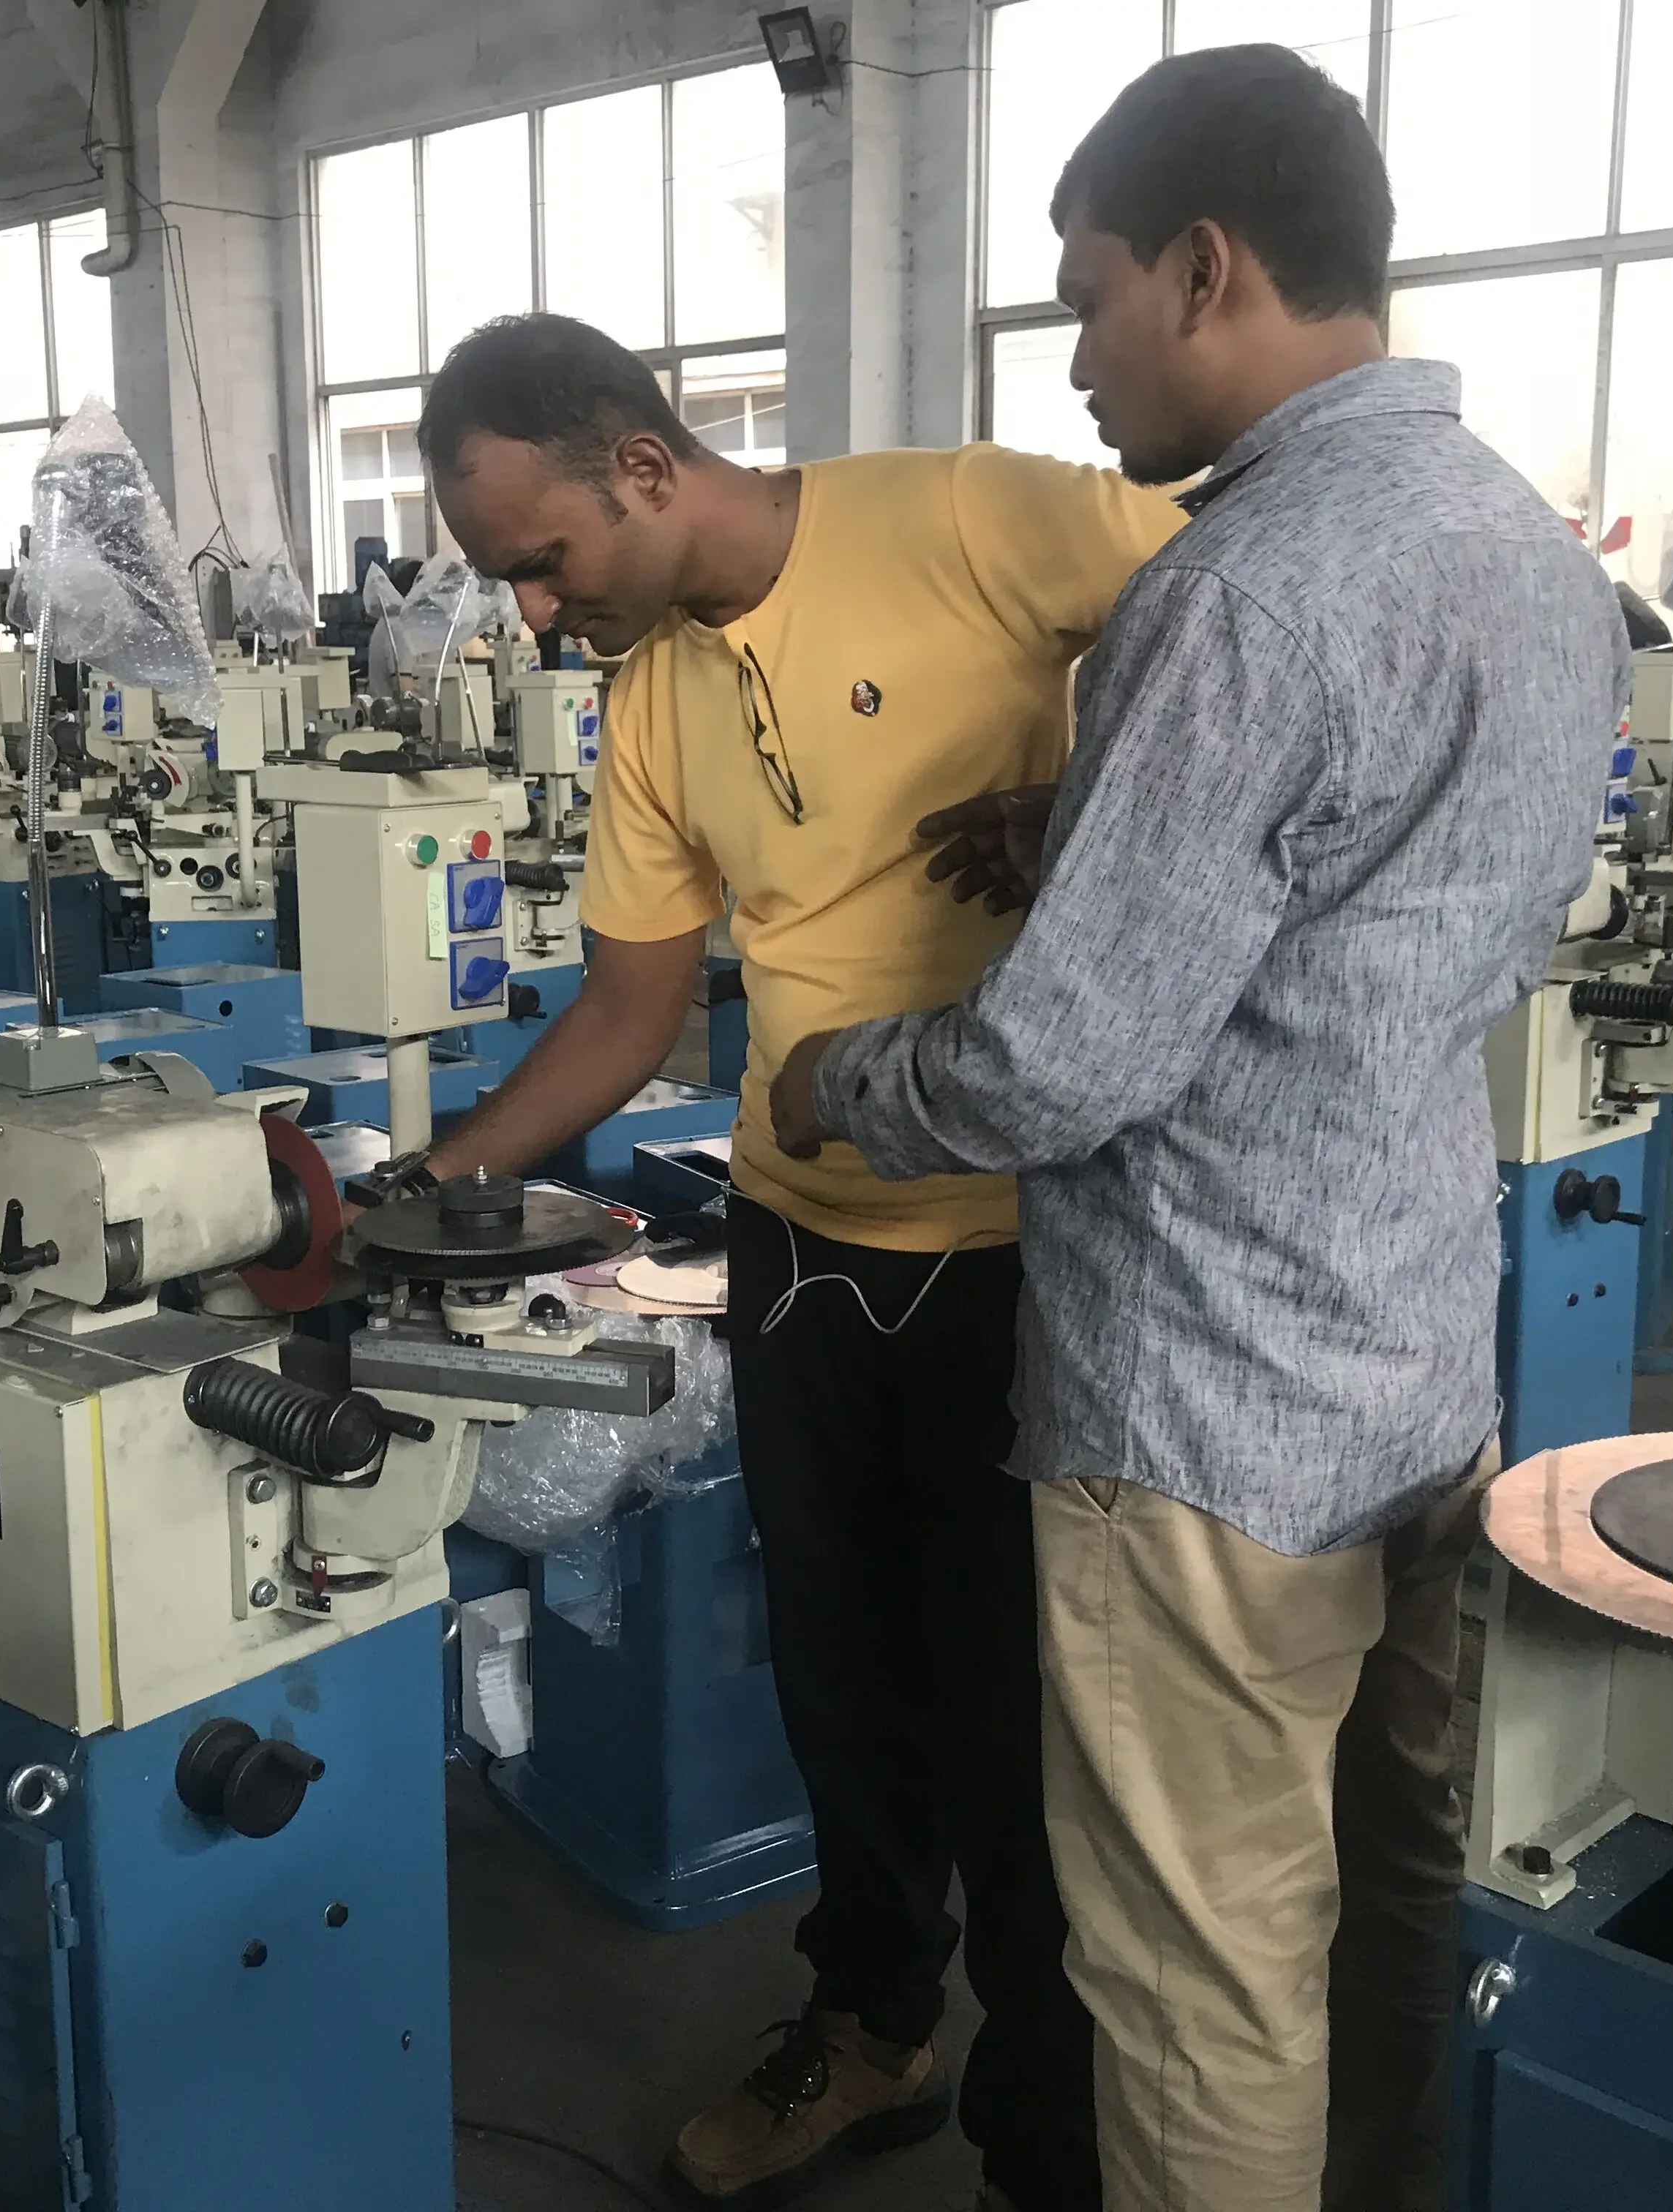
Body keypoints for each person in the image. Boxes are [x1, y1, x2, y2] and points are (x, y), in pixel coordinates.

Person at [770, 45, 1629, 2212]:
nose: (1079, 366)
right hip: (1412, 1371)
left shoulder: (1237, 589)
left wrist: (838, 1083)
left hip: (1204, 1425)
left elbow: (1058, 1069)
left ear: (1207, 268)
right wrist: (1100, 822)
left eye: (1089, 301)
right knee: (1383, 1892)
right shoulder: (1527, 554)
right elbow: (1377, 877)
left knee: (1198, 1979)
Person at [413, 312, 1183, 2212]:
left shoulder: (968, 521)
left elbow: (1253, 629)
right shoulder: (650, 700)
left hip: (1025, 1245)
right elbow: (629, 1010)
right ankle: (872, 2025)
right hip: (799, 1246)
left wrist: (1093, 808)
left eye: (542, 561)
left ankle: (1050, 2143)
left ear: (644, 469)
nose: (532, 613)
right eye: (506, 580)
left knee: (1024, 1727)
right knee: (844, 1690)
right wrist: (422, 1186)